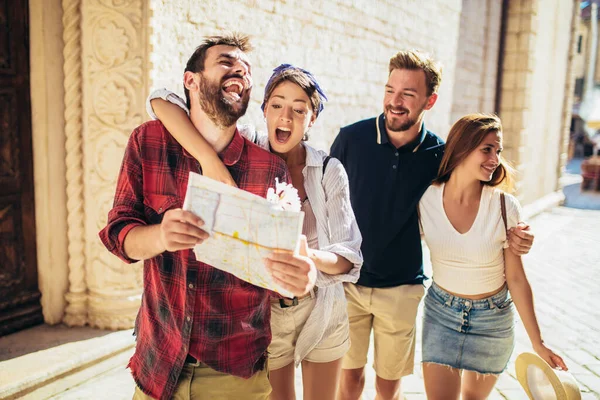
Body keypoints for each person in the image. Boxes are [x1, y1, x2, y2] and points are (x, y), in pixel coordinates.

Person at [99, 34, 317, 400]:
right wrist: (160, 237)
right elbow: (118, 235)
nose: (240, 73)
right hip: (156, 367)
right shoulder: (147, 141)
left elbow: (284, 267)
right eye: (227, 63)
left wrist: (301, 277)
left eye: (247, 71)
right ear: (191, 80)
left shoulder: (270, 170)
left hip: (235, 375)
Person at [147, 64, 363, 400]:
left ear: (312, 119)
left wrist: (307, 256)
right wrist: (210, 161)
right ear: (263, 110)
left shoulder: (328, 170)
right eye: (276, 105)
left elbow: (348, 257)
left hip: (322, 307)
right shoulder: (243, 143)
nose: (285, 118)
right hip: (264, 314)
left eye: (299, 109)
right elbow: (162, 100)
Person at [330, 50, 535, 400]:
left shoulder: (439, 155)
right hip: (348, 281)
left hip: (401, 287)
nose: (395, 102)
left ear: (430, 100)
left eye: (408, 94)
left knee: (388, 386)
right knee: (348, 382)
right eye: (390, 90)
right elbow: (327, 199)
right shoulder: (351, 139)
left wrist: (517, 232)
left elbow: (477, 195)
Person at [418, 113, 567, 399]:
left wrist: (539, 343)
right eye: (486, 149)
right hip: (441, 315)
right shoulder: (426, 200)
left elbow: (516, 278)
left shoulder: (504, 206)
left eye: (497, 151)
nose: (495, 158)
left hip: (492, 321)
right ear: (462, 148)